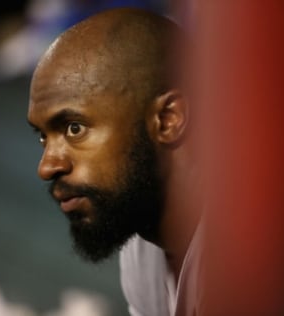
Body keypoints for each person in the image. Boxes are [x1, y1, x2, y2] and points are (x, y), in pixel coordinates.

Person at [27, 8, 202, 316]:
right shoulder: (142, 239)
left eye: (74, 128)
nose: (46, 167)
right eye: (43, 136)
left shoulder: (260, 257)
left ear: (168, 119)